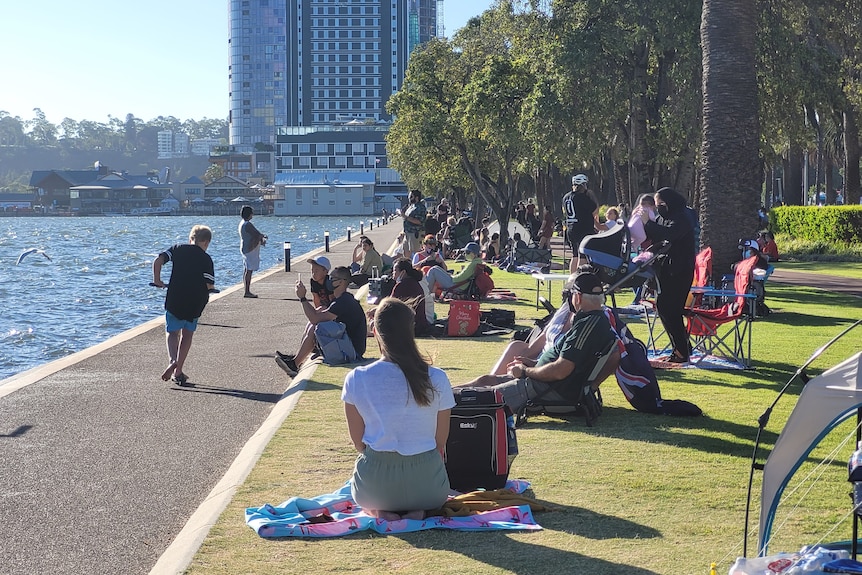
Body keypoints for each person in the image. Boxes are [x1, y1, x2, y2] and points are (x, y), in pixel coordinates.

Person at [342, 297, 454, 521]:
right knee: (433, 498)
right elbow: (440, 442)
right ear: (411, 329)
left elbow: (358, 443)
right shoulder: (437, 378)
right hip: (427, 486)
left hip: (375, 484)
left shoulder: (357, 378)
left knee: (366, 498)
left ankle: (380, 511)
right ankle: (420, 512)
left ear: (375, 331)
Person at [459, 270, 619, 415]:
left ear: (577, 297)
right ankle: (444, 393)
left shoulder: (587, 326)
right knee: (485, 381)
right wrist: (534, 363)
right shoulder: (593, 321)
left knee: (480, 398)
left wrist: (525, 371)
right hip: (542, 381)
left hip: (545, 388)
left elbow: (560, 371)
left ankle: (442, 401)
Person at [152, 225, 216, 386]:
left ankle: (172, 360)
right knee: (187, 335)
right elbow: (209, 284)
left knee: (172, 332)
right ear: (206, 242)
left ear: (191, 239)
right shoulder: (205, 258)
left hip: (175, 298)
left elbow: (158, 261)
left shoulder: (177, 249)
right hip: (195, 302)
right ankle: (178, 369)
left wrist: (157, 280)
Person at [276, 266, 367, 376]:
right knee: (314, 320)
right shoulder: (342, 299)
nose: (328, 281)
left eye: (332, 278)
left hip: (352, 352)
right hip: (346, 344)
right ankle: (296, 359)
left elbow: (315, 319)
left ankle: (294, 364)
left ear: (342, 282)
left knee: (316, 325)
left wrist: (302, 298)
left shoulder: (344, 301)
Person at [641, 187, 696, 363]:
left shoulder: (683, 216)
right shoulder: (669, 216)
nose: (659, 209)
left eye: (660, 205)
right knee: (666, 307)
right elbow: (658, 231)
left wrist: (648, 223)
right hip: (669, 268)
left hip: (680, 269)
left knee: (669, 308)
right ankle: (681, 348)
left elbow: (671, 234)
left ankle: (681, 350)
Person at [368, 258, 431, 336]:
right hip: (419, 325)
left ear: (403, 272)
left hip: (410, 327)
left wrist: (374, 311)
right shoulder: (414, 282)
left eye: (395, 271)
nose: (393, 273)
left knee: (374, 323)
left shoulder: (402, 285)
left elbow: (388, 305)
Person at [562, 174, 599, 273]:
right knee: (582, 256)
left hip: (570, 228)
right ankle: (579, 278)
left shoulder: (566, 197)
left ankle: (572, 279)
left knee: (575, 255)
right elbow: (595, 211)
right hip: (583, 228)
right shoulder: (583, 197)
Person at [238, 205, 267, 298]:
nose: (252, 215)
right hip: (249, 248)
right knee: (249, 270)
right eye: (252, 213)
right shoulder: (248, 224)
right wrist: (263, 237)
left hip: (244, 247)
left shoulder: (242, 223)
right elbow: (257, 234)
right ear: (249, 214)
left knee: (246, 269)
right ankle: (247, 291)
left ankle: (246, 290)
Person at [401, 190, 426, 261]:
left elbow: (420, 221)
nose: (409, 198)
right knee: (406, 252)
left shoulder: (420, 207)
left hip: (415, 234)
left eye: (411, 196)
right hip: (407, 233)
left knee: (416, 253)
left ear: (416, 198)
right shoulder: (411, 206)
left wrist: (406, 217)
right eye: (409, 196)